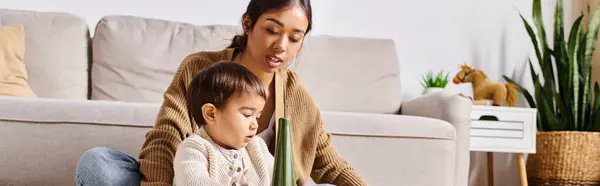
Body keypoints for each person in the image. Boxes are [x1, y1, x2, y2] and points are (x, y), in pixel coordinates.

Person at [74, 0, 368, 185]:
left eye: (294, 37)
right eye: (272, 30)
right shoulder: (199, 68)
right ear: (248, 24)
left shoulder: (295, 95)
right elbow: (167, 137)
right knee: (98, 165)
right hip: (186, 179)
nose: (282, 46)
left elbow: (330, 164)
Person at [174, 62, 273, 186]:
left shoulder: (256, 146)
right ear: (211, 114)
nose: (255, 125)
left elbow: (282, 178)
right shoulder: (194, 148)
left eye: (257, 117)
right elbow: (193, 182)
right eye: (247, 115)